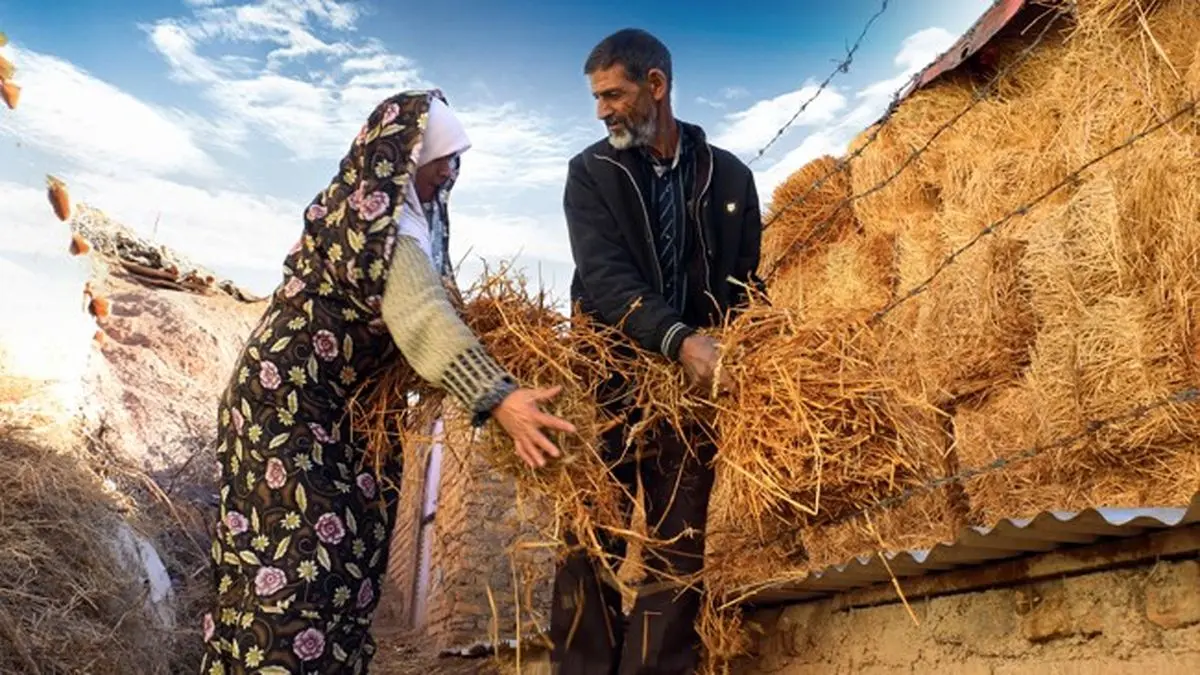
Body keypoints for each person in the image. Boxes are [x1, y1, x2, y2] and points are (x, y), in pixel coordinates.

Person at [199, 89, 576, 674]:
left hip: (333, 414)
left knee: (341, 563)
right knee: (300, 575)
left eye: (456, 160)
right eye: (443, 158)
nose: (451, 171)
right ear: (405, 156)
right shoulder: (382, 222)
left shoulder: (402, 218)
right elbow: (423, 316)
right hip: (289, 412)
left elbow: (434, 305)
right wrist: (498, 395)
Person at [550, 28, 764, 675]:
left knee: (677, 550)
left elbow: (745, 284)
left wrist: (751, 344)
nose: (602, 110)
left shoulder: (729, 176)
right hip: (607, 384)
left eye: (613, 94)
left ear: (656, 86)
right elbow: (607, 279)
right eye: (596, 98)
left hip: (691, 396)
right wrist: (681, 339)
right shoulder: (593, 173)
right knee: (590, 541)